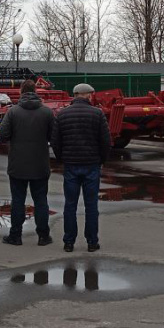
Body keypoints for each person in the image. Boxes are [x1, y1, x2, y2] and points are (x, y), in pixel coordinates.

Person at [51, 83, 111, 253]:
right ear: (87, 95)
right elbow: (105, 141)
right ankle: (92, 242)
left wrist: (62, 158)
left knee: (70, 205)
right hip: (91, 165)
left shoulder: (62, 114)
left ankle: (69, 242)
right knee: (91, 205)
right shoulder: (97, 114)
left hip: (71, 165)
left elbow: (55, 141)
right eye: (91, 94)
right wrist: (102, 160)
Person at [0, 79, 55, 247]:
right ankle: (43, 236)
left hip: (18, 164)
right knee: (41, 200)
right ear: (36, 91)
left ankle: (15, 235)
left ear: (21, 92)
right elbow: (54, 136)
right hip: (40, 163)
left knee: (17, 200)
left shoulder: (13, 112)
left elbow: (2, 135)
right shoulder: (46, 112)